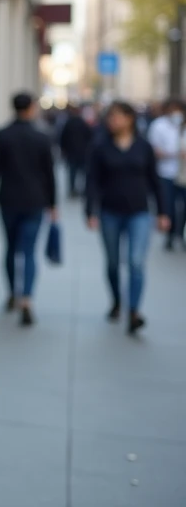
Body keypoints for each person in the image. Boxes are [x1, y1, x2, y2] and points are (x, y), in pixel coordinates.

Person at [86, 101, 169, 335]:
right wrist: (90, 211)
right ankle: (116, 301)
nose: (113, 121)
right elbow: (92, 180)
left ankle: (134, 310)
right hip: (110, 211)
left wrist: (163, 212)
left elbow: (155, 180)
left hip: (139, 212)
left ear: (130, 118)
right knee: (113, 263)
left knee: (135, 261)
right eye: (110, 117)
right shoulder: (101, 147)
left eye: (118, 117)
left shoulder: (144, 147)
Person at [0, 92, 57, 327]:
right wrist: (53, 203)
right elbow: (50, 174)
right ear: (32, 108)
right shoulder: (41, 137)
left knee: (11, 248)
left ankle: (12, 294)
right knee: (28, 251)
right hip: (35, 201)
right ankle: (26, 297)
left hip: (9, 199)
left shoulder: (3, 135)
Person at [147, 99, 186, 250]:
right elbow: (153, 150)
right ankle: (170, 235)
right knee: (168, 206)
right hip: (165, 173)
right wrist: (173, 154)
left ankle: (180, 234)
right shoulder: (159, 125)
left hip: (183, 174)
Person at [59, 104, 94, 199]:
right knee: (83, 174)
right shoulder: (83, 123)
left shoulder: (68, 123)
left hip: (72, 153)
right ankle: (82, 190)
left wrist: (63, 150)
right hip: (82, 153)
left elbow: (62, 138)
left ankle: (72, 190)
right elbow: (90, 137)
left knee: (72, 173)